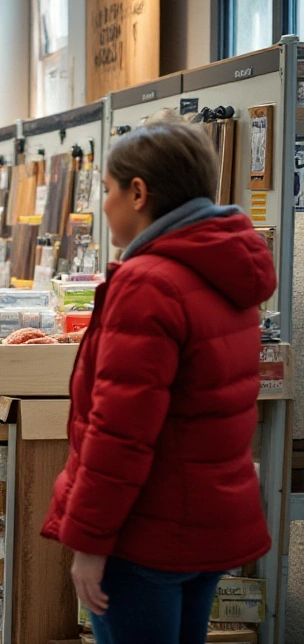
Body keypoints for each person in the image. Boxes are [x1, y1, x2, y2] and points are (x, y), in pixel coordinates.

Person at [41, 122, 276, 644]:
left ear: (139, 192)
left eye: (107, 190)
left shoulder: (150, 283)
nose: (103, 205)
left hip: (145, 532)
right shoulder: (223, 272)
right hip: (206, 523)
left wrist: (90, 541)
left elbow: (120, 433)